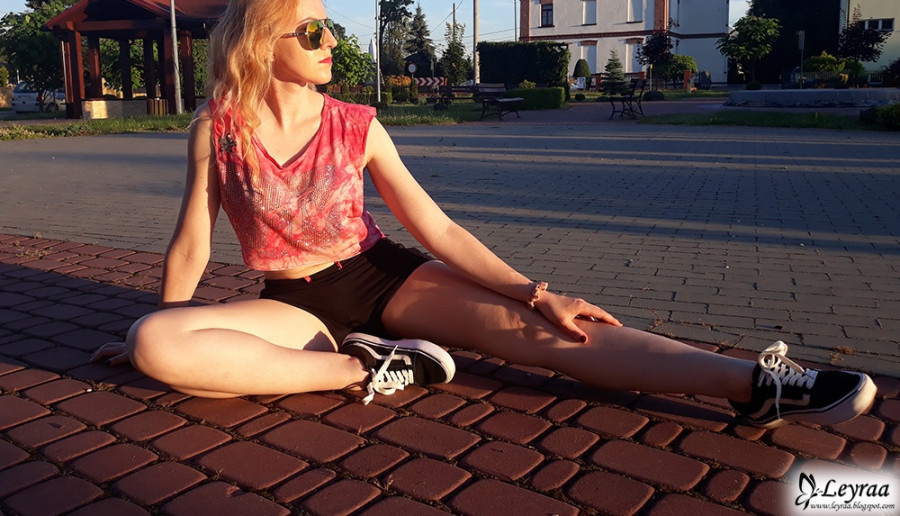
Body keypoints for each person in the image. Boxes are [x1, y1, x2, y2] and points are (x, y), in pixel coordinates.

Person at [92, 0, 876, 429]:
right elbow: (193, 237)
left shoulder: (357, 124)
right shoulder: (217, 126)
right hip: (290, 304)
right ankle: (374, 367)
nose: (332, 39)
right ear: (263, 44)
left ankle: (759, 384)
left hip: (382, 280)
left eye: (329, 25)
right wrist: (169, 318)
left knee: (559, 338)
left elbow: (437, 228)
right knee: (155, 342)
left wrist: (537, 291)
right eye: (311, 29)